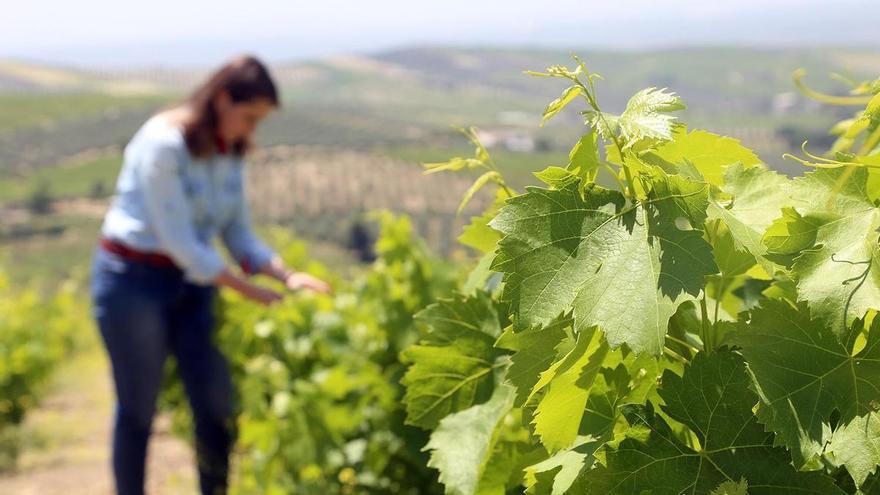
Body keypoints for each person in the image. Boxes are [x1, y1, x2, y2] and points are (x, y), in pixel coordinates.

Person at [89, 54, 330, 495]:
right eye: (250, 117)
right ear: (222, 99)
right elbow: (180, 242)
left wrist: (286, 274)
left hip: (191, 283)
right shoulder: (164, 144)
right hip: (132, 281)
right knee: (138, 409)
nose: (252, 131)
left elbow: (237, 232)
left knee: (217, 405)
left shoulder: (228, 150)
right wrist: (247, 290)